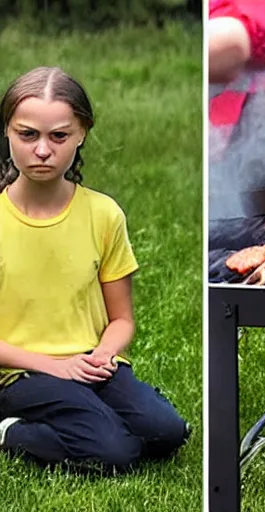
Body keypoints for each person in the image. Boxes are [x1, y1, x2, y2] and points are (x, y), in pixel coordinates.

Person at [0, 66, 190, 473]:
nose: (43, 150)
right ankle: (10, 429)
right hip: (18, 374)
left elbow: (121, 319)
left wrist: (102, 354)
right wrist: (56, 366)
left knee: (168, 432)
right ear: (8, 132)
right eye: (28, 134)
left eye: (59, 136)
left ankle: (94, 417)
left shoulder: (104, 214)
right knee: (115, 453)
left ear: (82, 132)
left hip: (90, 365)